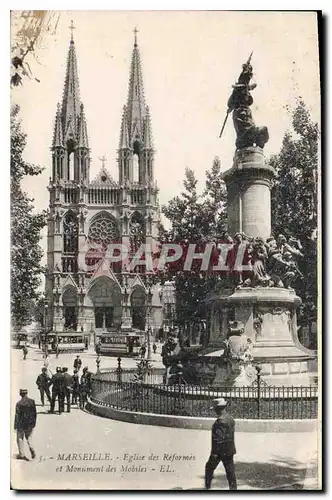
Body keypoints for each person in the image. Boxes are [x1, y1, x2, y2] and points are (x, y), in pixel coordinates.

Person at [205, 398, 237, 490]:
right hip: (230, 449)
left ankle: (207, 488)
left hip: (219, 451)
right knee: (230, 472)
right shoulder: (231, 419)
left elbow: (218, 439)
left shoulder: (219, 422)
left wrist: (214, 453)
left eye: (215, 409)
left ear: (218, 409)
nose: (214, 411)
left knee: (209, 468)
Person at [14, 389, 36, 460]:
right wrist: (33, 423)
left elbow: (17, 415)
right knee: (29, 437)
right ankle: (31, 448)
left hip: (21, 424)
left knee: (19, 438)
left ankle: (22, 454)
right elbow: (34, 414)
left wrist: (15, 426)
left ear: (20, 394)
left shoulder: (18, 403)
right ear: (27, 393)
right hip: (29, 424)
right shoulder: (32, 402)